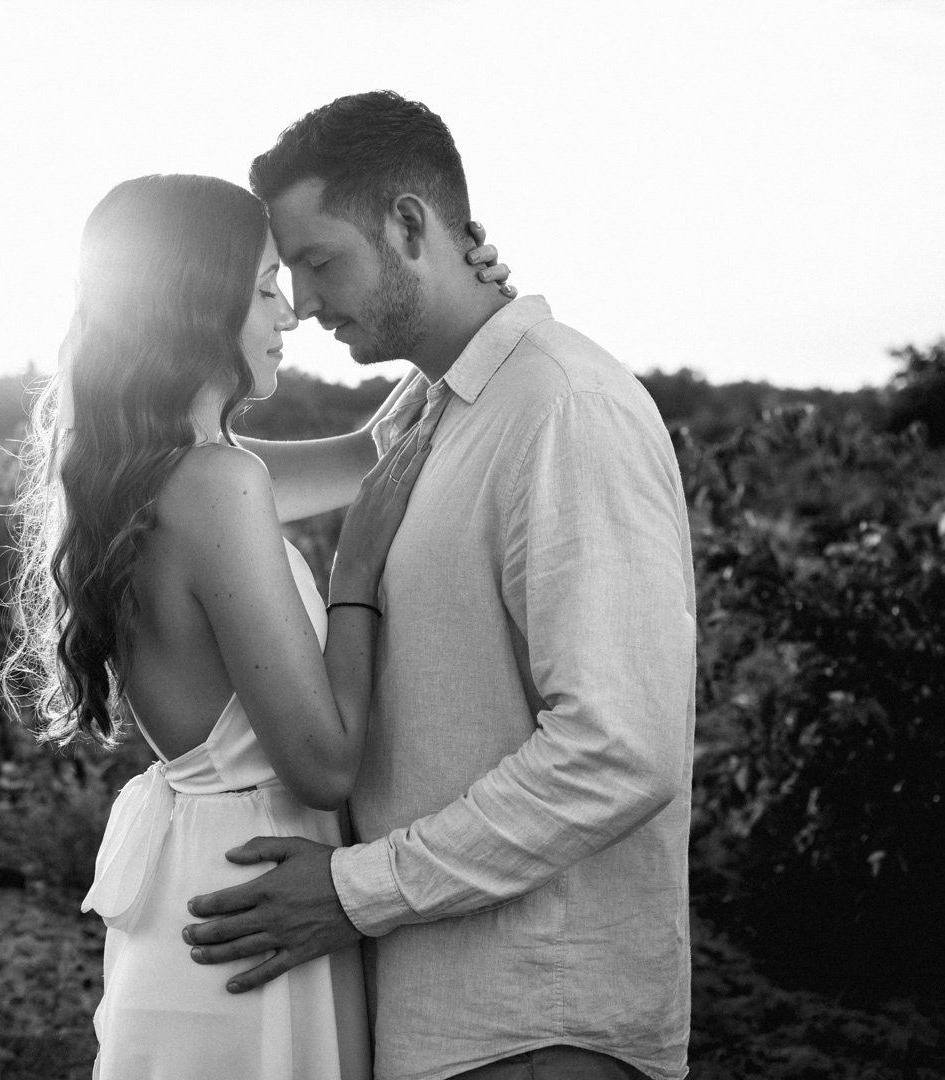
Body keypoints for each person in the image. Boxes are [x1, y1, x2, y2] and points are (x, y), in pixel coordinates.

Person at [181, 92, 698, 1080]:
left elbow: (619, 750)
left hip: (536, 1028)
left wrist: (356, 891)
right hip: (445, 1015)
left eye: (319, 261)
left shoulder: (567, 408)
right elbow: (225, 484)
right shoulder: (443, 414)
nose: (304, 303)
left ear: (410, 226)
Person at [0, 172, 513, 1079]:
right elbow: (323, 766)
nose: (292, 312)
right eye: (268, 285)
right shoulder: (217, 485)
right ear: (199, 303)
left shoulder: (163, 470)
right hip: (255, 891)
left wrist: (464, 314)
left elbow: (375, 454)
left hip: (214, 873)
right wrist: (355, 573)